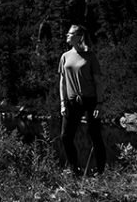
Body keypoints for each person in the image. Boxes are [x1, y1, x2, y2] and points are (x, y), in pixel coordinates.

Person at [58, 24, 106, 176]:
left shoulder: (90, 56)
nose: (67, 35)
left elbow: (98, 82)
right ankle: (75, 169)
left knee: (95, 135)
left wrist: (99, 103)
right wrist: (63, 103)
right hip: (72, 102)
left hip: (91, 100)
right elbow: (62, 82)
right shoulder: (65, 56)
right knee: (66, 136)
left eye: (70, 33)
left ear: (78, 37)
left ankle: (101, 171)